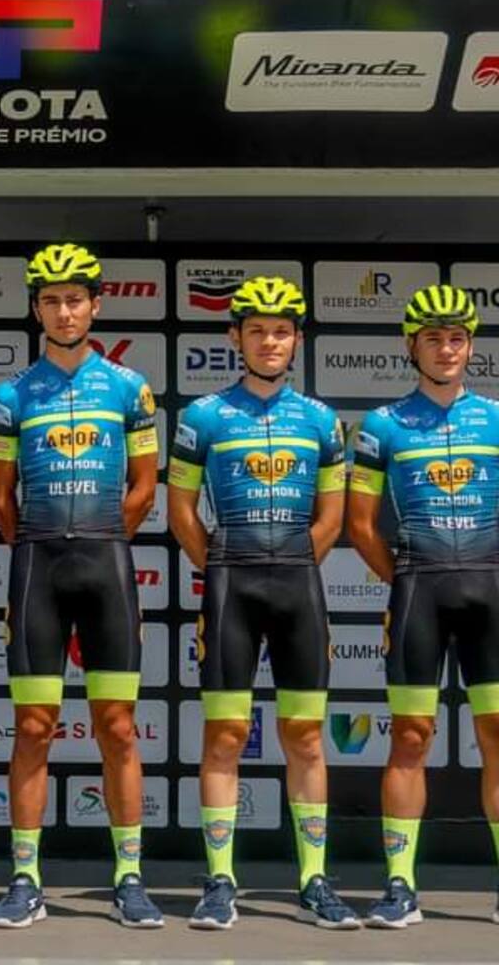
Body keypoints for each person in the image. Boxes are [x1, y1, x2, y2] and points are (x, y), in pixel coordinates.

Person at [169, 276, 356, 931]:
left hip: (298, 586)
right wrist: (222, 566)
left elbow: (332, 518)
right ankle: (220, 881)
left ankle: (313, 879)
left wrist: (294, 564)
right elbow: (181, 511)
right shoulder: (202, 416)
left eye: (281, 331)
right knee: (225, 735)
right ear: (235, 337)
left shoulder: (321, 421)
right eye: (257, 331)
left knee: (304, 735)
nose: (269, 342)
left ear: (296, 340)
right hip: (232, 587)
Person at [0, 243, 162, 929]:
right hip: (38, 568)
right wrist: (40, 542)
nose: (64, 312)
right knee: (34, 727)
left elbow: (144, 488)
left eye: (75, 300)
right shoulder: (11, 395)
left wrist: (101, 536)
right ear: (37, 309)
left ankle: (130, 877)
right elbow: (1, 499)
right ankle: (25, 877)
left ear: (96, 305)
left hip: (106, 565)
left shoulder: (128, 388)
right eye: (52, 301)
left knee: (117, 727)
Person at [348, 284, 499, 928]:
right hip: (420, 595)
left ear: (471, 348)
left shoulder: (495, 418)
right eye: (433, 339)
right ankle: (401, 886)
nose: (446, 349)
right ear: (411, 347)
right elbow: (360, 525)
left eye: (457, 338)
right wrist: (406, 578)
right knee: (410, 737)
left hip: (491, 596)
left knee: (498, 736)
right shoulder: (382, 425)